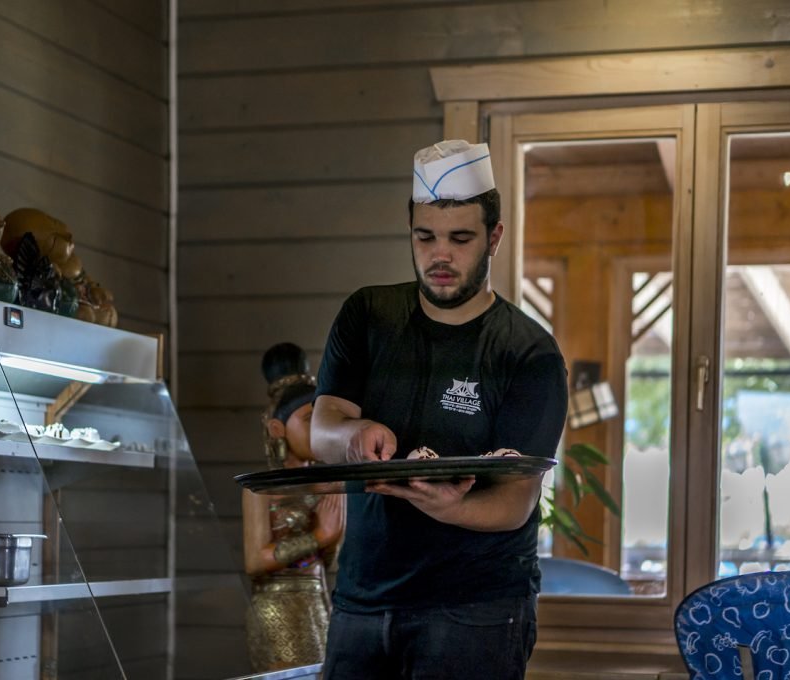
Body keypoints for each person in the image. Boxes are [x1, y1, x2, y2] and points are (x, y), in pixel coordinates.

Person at [310, 140, 568, 679]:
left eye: (460, 238)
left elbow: (514, 504)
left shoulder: (528, 353)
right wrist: (354, 434)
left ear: (494, 238)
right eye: (424, 237)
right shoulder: (368, 314)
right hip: (363, 598)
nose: (440, 256)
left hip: (475, 608)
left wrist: (447, 506)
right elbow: (322, 428)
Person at [242, 343, 345, 672]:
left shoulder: (322, 482)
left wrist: (333, 526)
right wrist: (319, 535)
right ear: (278, 428)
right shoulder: (262, 488)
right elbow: (255, 561)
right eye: (308, 419)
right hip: (277, 605)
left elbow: (329, 560)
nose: (317, 429)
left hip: (318, 598)